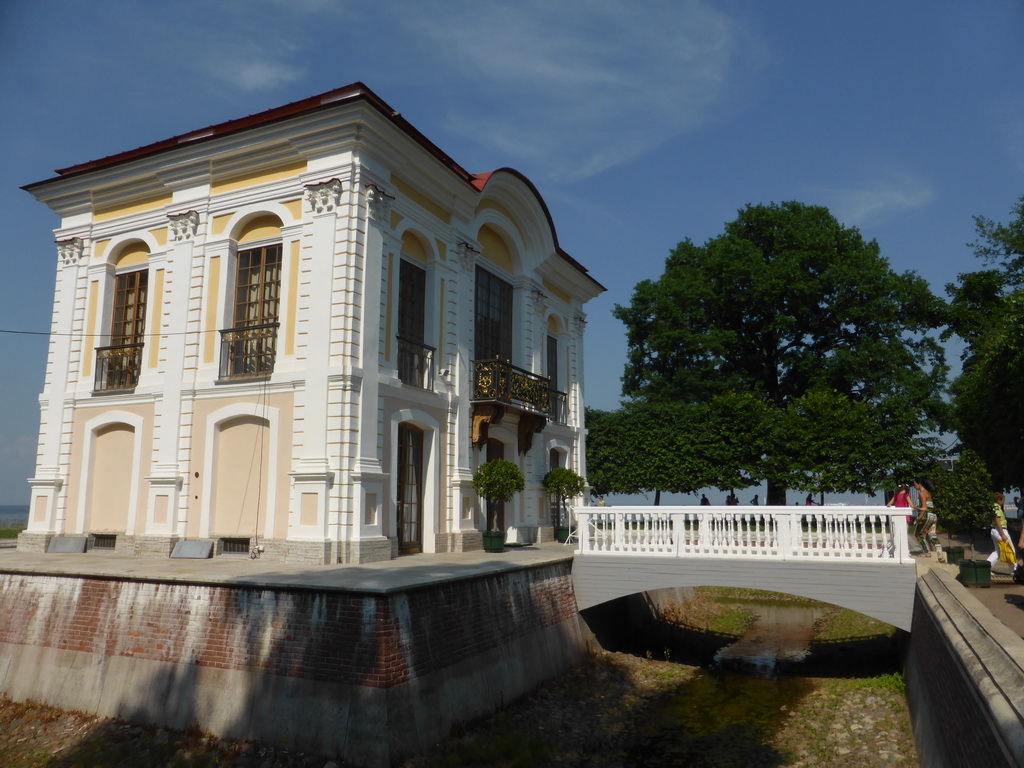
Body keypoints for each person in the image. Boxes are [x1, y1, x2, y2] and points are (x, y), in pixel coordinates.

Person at [988, 492, 1015, 567]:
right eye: (1003, 500)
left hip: (995, 530)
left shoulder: (993, 507)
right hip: (1000, 531)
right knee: (1011, 550)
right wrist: (1002, 534)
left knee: (998, 552)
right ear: (999, 500)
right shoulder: (997, 508)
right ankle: (1014, 570)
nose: (1003, 502)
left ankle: (986, 566)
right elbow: (997, 521)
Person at [912, 480, 937, 557]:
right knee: (931, 535)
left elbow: (924, 508)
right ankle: (937, 553)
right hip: (933, 515)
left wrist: (919, 518)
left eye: (915, 484)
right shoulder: (928, 492)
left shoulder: (922, 493)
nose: (914, 486)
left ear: (919, 484)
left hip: (926, 515)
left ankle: (926, 551)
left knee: (918, 533)